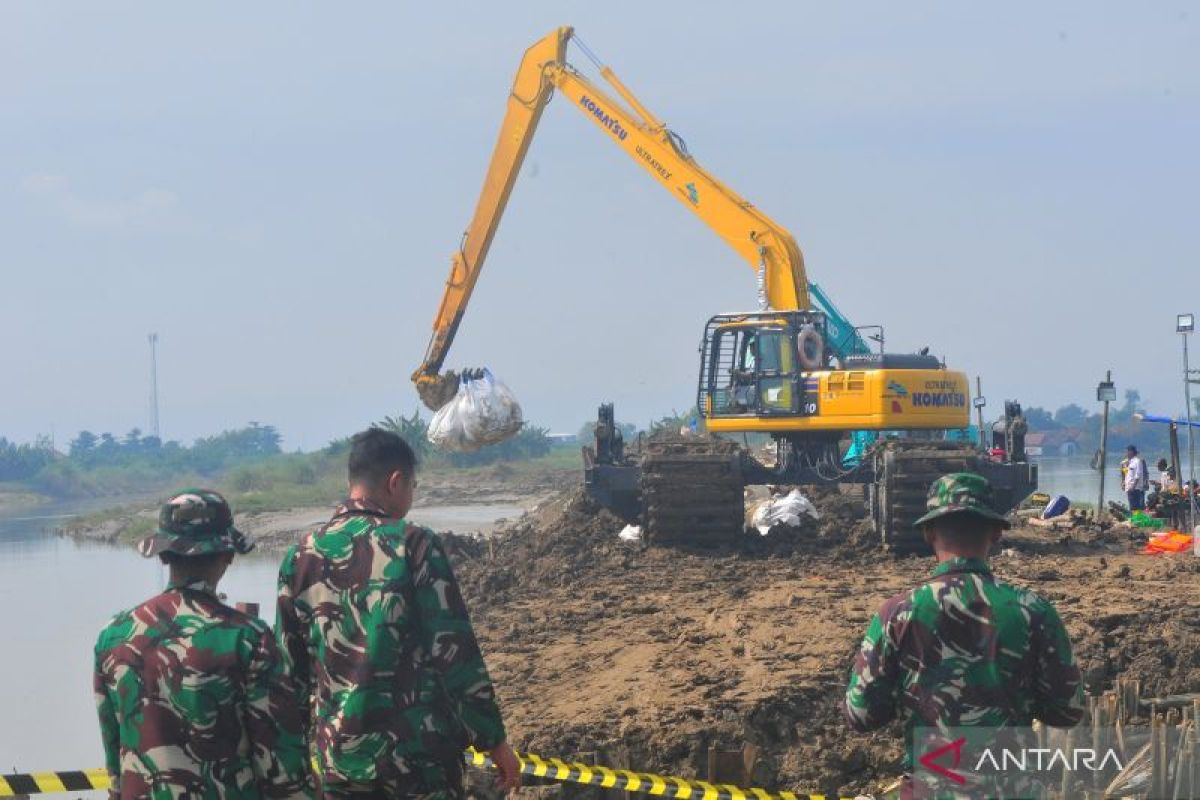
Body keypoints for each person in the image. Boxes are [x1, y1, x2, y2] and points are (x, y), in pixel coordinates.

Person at [276, 428, 521, 799]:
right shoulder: (414, 544)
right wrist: (493, 740)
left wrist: (293, 769)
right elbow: (454, 652)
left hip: (339, 766)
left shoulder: (300, 557)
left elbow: (288, 676)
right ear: (396, 482)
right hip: (417, 763)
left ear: (350, 481)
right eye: (413, 486)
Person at [843, 473, 1083, 796]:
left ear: (928, 533)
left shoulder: (897, 614)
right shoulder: (1033, 611)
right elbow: (1068, 711)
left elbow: (861, 715)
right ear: (997, 532)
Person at [94, 489, 312, 800]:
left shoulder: (114, 636)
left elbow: (114, 753)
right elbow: (281, 766)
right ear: (228, 556)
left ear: (164, 555)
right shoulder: (249, 639)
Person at [1123, 445, 1149, 511]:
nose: (1126, 454)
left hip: (1135, 488)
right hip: (1129, 488)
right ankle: (1135, 519)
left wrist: (1133, 486)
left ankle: (1137, 520)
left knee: (1136, 507)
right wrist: (1124, 483)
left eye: (1127, 452)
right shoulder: (1129, 462)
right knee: (1132, 507)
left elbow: (1138, 475)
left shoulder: (1138, 461)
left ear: (1131, 452)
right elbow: (1128, 475)